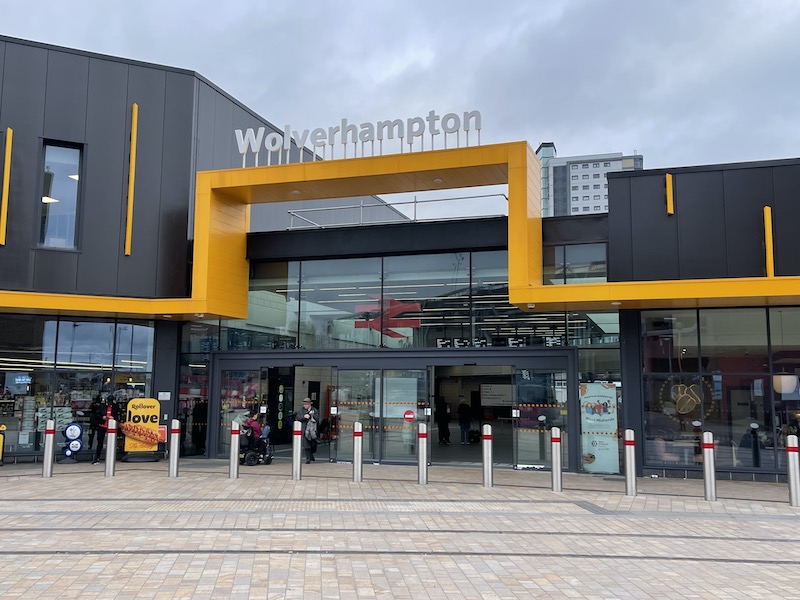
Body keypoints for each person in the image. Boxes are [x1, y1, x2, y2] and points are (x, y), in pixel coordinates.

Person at [92, 397, 119, 465]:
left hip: (111, 427)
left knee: (112, 443)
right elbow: (97, 414)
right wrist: (102, 417)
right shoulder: (102, 406)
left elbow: (118, 416)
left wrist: (113, 418)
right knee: (100, 442)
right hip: (102, 425)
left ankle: (111, 457)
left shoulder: (115, 407)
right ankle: (97, 458)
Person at [298, 398, 319, 463]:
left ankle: (311, 454)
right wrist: (304, 416)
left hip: (313, 430)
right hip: (305, 429)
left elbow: (317, 419)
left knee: (313, 444)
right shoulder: (301, 410)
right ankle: (308, 458)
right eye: (304, 404)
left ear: (309, 404)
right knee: (306, 445)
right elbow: (298, 418)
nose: (304, 405)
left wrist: (312, 415)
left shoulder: (314, 410)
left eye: (306, 404)